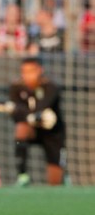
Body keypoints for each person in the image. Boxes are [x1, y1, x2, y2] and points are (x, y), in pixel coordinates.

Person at [9, 57, 66, 186]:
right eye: (24, 71)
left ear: (40, 70)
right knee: (21, 130)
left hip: (52, 133)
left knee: (55, 180)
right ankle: (22, 175)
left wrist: (21, 112)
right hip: (31, 129)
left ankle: (63, 176)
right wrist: (12, 109)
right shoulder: (16, 87)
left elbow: (43, 107)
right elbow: (16, 113)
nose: (28, 75)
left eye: (31, 71)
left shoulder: (51, 86)